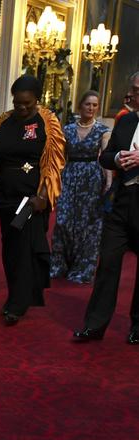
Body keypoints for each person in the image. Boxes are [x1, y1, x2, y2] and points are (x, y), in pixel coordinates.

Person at [0, 75, 66, 325]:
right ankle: (15, 295)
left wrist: (43, 195)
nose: (22, 108)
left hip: (32, 200)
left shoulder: (47, 122)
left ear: (37, 100)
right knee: (10, 249)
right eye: (17, 103)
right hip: (6, 198)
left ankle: (18, 304)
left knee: (24, 250)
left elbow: (54, 162)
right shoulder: (3, 122)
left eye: (27, 104)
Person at [74, 71, 139, 345]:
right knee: (108, 265)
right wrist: (119, 158)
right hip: (121, 204)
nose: (135, 94)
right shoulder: (125, 121)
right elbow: (106, 156)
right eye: (135, 89)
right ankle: (95, 325)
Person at [50, 91, 111, 283]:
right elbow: (59, 158)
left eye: (95, 105)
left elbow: (106, 157)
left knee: (88, 224)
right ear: (80, 106)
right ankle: (59, 264)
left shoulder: (103, 130)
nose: (91, 108)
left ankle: (82, 269)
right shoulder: (66, 129)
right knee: (63, 221)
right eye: (88, 105)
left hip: (92, 178)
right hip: (69, 176)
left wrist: (108, 181)